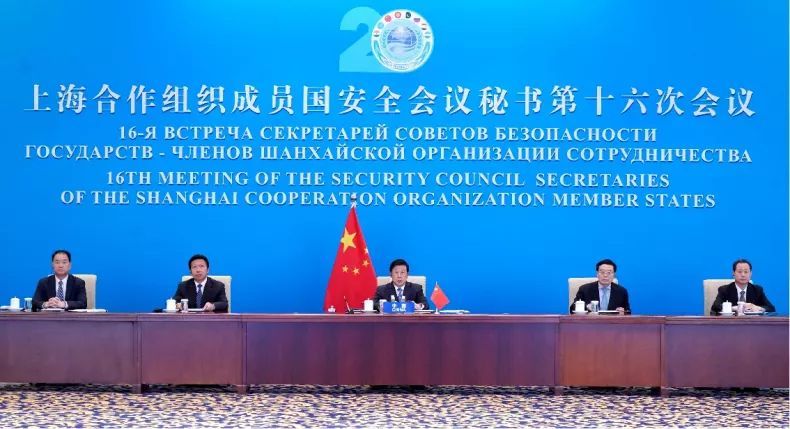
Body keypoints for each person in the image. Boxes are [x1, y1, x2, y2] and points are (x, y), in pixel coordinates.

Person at [710, 259, 775, 315]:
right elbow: (715, 307)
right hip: (730, 323)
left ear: (750, 274)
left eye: (746, 272)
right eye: (739, 272)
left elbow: (771, 308)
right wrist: (734, 308)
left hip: (752, 323)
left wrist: (758, 308)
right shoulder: (724, 290)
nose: (743, 275)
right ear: (733, 273)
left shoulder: (757, 290)